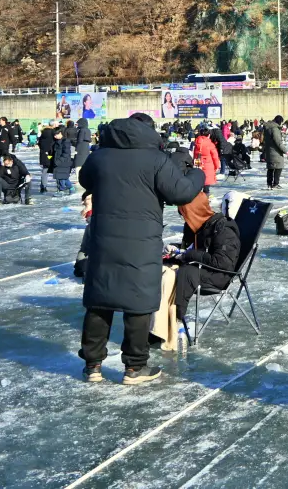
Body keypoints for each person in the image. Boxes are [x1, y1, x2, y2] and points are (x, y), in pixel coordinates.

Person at [77, 114, 205, 385]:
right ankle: (134, 367)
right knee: (139, 302)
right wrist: (196, 173)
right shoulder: (156, 160)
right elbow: (181, 193)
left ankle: (92, 365)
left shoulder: (100, 156)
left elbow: (85, 178)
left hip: (103, 239)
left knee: (100, 300)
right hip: (142, 241)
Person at [167, 191, 240, 329]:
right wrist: (176, 249)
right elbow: (189, 247)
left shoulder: (223, 230)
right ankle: (158, 316)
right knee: (165, 267)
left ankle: (177, 318)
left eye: (185, 215)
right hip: (204, 267)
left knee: (186, 272)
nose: (184, 219)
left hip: (219, 274)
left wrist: (188, 255)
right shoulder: (197, 226)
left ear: (195, 212)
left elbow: (222, 263)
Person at [262, 116, 287, 189]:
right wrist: (285, 150)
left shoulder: (267, 127)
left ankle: (269, 183)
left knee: (270, 168)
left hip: (269, 150)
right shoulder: (275, 129)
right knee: (278, 167)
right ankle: (275, 183)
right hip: (276, 151)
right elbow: (278, 142)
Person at [51, 127, 74, 194]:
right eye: (54, 135)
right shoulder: (56, 142)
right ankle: (71, 188)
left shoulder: (65, 141)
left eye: (56, 134)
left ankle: (61, 190)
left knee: (60, 177)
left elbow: (66, 153)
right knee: (63, 177)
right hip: (58, 161)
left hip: (64, 162)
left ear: (60, 133)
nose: (55, 136)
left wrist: (59, 161)